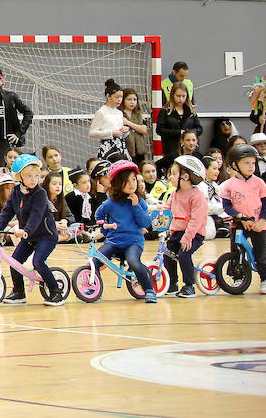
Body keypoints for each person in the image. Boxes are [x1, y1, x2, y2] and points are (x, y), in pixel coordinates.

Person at [0, 154, 62, 305]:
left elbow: (36, 215)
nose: (34, 179)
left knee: (38, 262)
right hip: (29, 237)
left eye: (36, 175)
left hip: (45, 235)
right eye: (29, 175)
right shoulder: (16, 192)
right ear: (19, 176)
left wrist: (25, 230)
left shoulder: (40, 194)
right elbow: (7, 211)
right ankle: (18, 292)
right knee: (15, 262)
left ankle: (56, 292)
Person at [93, 160, 158, 303]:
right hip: (114, 242)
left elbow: (146, 223)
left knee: (133, 262)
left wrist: (135, 206)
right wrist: (104, 228)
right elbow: (99, 215)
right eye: (127, 181)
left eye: (133, 179)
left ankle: (149, 289)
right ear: (117, 183)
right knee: (94, 260)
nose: (132, 184)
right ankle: (95, 287)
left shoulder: (139, 202)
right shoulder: (111, 202)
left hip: (133, 242)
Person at [220, 143, 266, 294]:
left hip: (257, 225)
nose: (251, 166)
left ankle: (265, 280)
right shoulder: (229, 185)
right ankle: (237, 276)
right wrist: (240, 217)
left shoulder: (259, 182)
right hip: (239, 224)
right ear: (235, 165)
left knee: (261, 254)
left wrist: (262, 221)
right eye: (246, 163)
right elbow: (227, 206)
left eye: (253, 163)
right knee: (236, 251)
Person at [164, 155, 208, 298]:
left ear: (186, 176)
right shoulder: (174, 194)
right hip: (177, 232)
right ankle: (172, 284)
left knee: (184, 255)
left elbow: (196, 219)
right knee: (168, 254)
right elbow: (166, 210)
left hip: (194, 234)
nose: (170, 177)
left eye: (174, 174)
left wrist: (188, 238)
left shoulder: (196, 196)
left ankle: (189, 285)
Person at [0, 67, 34, 166]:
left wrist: (19, 133)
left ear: (1, 81)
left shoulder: (10, 97)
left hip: (8, 141)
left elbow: (28, 113)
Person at [88, 79, 147, 163]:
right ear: (108, 96)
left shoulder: (119, 113)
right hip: (108, 147)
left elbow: (122, 134)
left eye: (121, 97)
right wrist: (111, 133)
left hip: (121, 147)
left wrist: (125, 131)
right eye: (117, 97)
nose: (119, 100)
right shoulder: (101, 112)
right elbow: (92, 133)